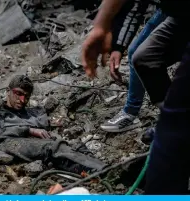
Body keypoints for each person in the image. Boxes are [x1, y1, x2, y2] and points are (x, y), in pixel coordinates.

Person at [81, 0, 190, 194]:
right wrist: (114, 40)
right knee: (143, 57)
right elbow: (136, 4)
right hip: (178, 13)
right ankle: (169, 123)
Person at [0, 75, 106, 174]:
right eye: (18, 94)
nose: (22, 100)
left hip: (37, 145)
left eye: (26, 96)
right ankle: (100, 172)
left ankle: (104, 169)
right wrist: (27, 130)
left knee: (76, 145)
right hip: (8, 144)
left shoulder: (33, 113)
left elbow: (47, 128)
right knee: (51, 147)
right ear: (8, 91)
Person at [101, 1, 167, 133]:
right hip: (169, 11)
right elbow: (135, 6)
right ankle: (131, 112)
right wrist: (118, 47)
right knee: (137, 53)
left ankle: (176, 116)